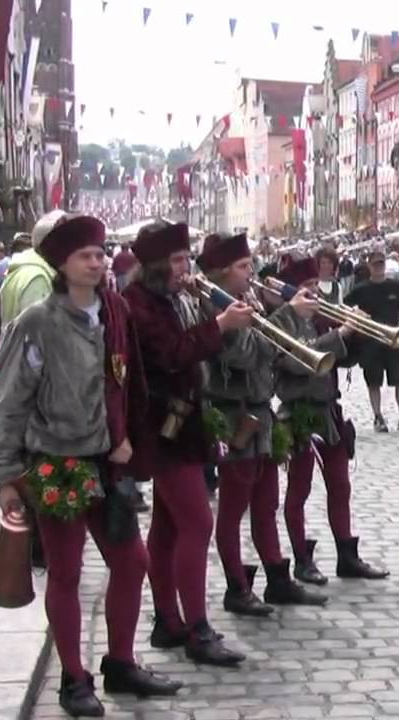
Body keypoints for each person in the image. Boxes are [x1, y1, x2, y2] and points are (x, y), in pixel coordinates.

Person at [0, 215, 182, 717]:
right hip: (58, 462)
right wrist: (7, 475)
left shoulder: (114, 311)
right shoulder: (38, 323)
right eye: (86, 256)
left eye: (100, 254)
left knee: (131, 562)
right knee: (67, 571)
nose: (97, 262)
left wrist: (128, 441)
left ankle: (120, 661)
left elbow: (130, 382)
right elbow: (10, 401)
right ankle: (74, 679)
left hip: (107, 460)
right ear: (62, 264)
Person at [123, 220, 250, 666]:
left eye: (185, 259)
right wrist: (219, 323)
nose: (185, 268)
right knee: (198, 524)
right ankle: (197, 627)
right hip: (162, 425)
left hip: (184, 421)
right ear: (157, 264)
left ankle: (167, 620)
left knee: (169, 527)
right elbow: (171, 353)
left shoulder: (170, 297)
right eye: (177, 260)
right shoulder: (138, 304)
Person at [197, 233, 328, 615]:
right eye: (242, 266)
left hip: (261, 413)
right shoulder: (214, 308)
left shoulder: (244, 301)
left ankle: (277, 578)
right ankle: (237, 587)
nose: (250, 271)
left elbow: (269, 355)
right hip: (235, 416)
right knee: (234, 507)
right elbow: (248, 355)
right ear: (221, 272)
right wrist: (287, 315)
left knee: (266, 503)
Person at [269, 258, 389, 584]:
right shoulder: (281, 322)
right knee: (299, 490)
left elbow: (343, 359)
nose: (313, 294)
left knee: (341, 486)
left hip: (329, 411)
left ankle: (347, 556)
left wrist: (359, 334)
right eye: (306, 288)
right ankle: (302, 559)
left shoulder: (319, 319)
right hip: (299, 412)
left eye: (313, 287)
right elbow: (300, 359)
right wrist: (342, 332)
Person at [344, 251, 399, 432]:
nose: (379, 267)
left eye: (381, 264)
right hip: (370, 341)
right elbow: (345, 306)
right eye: (375, 264)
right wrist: (358, 319)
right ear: (369, 266)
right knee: (374, 381)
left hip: (393, 339)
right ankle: (378, 417)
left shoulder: (395, 285)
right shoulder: (361, 288)